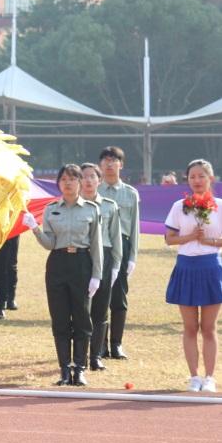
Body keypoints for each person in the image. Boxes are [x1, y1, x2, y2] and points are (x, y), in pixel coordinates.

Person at [23, 164, 103, 387]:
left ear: (80, 182)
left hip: (82, 263)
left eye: (72, 179)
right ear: (58, 183)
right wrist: (35, 228)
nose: (68, 183)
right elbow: (49, 244)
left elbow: (96, 244)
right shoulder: (51, 209)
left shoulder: (91, 209)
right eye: (64, 179)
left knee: (82, 318)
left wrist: (96, 275)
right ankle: (65, 369)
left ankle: (80, 368)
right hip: (58, 264)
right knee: (60, 318)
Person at [162, 159, 222, 393]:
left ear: (211, 179)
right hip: (186, 267)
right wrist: (189, 237)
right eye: (192, 177)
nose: (197, 180)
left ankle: (209, 378)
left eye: (201, 176)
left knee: (209, 327)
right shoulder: (179, 206)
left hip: (211, 267)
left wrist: (209, 241)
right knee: (190, 327)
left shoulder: (220, 206)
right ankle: (194, 377)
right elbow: (169, 238)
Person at [97, 146, 140, 360]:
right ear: (100, 165)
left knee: (119, 296)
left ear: (121, 164)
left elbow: (134, 228)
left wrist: (132, 257)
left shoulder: (130, 193)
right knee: (99, 296)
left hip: (122, 246)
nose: (109, 164)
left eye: (113, 160)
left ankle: (116, 344)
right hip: (100, 244)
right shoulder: (94, 191)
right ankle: (100, 345)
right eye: (105, 160)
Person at [79, 163, 122, 371]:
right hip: (80, 258)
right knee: (80, 309)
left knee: (100, 309)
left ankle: (96, 356)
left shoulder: (110, 206)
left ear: (99, 180)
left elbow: (116, 238)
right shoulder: (72, 206)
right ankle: (80, 355)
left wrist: (115, 266)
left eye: (92, 176)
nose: (88, 181)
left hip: (104, 258)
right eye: (83, 177)